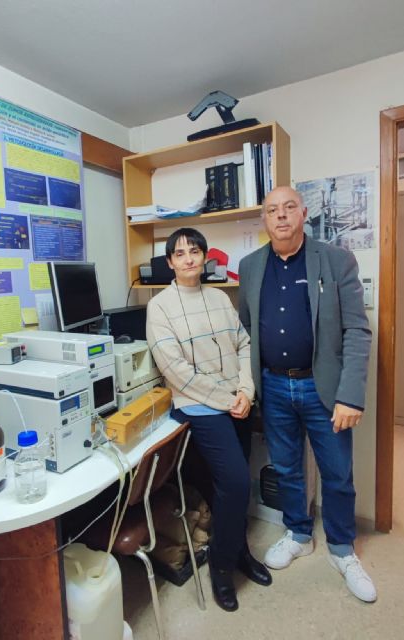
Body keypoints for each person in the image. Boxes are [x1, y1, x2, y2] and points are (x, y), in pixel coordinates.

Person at [238, 186, 377, 603]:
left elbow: (357, 330)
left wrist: (350, 395)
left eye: (288, 208)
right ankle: (299, 533)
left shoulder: (335, 261)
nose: (280, 216)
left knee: (337, 472)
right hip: (275, 385)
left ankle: (341, 548)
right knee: (286, 467)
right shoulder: (249, 267)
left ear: (303, 213)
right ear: (264, 219)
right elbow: (246, 332)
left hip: (325, 387)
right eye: (271, 210)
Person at [146, 227, 272, 612]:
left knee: (232, 488)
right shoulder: (161, 306)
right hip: (200, 407)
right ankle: (221, 566)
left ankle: (239, 553)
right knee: (235, 484)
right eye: (179, 253)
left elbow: (245, 343)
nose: (188, 259)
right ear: (169, 263)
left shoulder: (219, 297)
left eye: (195, 251)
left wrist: (245, 393)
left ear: (205, 258)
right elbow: (174, 369)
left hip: (237, 402)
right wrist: (227, 398)